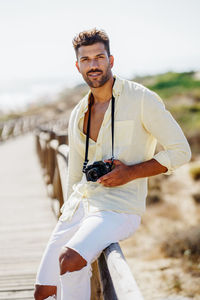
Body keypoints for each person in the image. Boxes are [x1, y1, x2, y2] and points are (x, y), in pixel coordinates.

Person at [34, 28, 191, 300]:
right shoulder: (78, 111)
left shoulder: (142, 99)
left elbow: (181, 151)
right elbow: (73, 172)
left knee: (70, 261)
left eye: (99, 57)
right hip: (80, 205)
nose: (93, 65)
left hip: (119, 208)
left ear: (111, 60)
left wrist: (130, 173)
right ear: (77, 65)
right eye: (86, 59)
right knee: (43, 291)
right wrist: (66, 216)